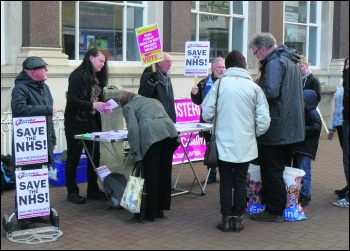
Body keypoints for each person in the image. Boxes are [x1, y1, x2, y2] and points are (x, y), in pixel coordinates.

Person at [202, 50, 270, 232]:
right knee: (240, 181)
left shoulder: (220, 85)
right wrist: (252, 133)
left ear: (228, 65)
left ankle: (225, 219)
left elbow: (206, 113)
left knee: (225, 182)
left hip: (223, 144)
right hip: (245, 144)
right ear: (244, 65)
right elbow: (264, 120)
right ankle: (238, 219)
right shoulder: (255, 88)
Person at [248, 32, 305, 222]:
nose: (256, 57)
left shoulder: (274, 62)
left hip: (276, 126)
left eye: (256, 53)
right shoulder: (292, 61)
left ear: (263, 49)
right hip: (291, 126)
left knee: (271, 168)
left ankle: (274, 210)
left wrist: (256, 91)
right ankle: (281, 206)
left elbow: (270, 93)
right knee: (281, 167)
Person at [119, 91, 180, 221]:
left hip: (152, 138)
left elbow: (133, 131)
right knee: (164, 173)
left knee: (151, 174)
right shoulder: (153, 101)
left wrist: (137, 155)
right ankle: (160, 208)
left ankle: (150, 212)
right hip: (170, 136)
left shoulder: (129, 107)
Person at [11, 56, 57, 229]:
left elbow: (49, 119)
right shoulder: (20, 89)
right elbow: (19, 109)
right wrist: (45, 109)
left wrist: (52, 139)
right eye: (44, 68)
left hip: (42, 142)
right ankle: (24, 216)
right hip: (27, 145)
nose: (47, 71)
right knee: (26, 178)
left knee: (39, 177)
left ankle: (37, 211)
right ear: (34, 71)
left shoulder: (45, 88)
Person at [64, 48, 112, 204]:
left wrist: (103, 107)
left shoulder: (98, 78)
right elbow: (72, 100)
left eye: (104, 62)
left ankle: (93, 189)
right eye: (101, 61)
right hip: (76, 122)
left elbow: (99, 98)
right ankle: (72, 191)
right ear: (91, 58)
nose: (103, 65)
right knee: (74, 157)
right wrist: (93, 105)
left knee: (94, 157)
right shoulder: (77, 76)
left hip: (92, 122)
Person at [191, 57, 226, 184]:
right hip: (207, 123)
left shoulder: (227, 82)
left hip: (223, 122)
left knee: (223, 149)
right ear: (212, 69)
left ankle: (225, 175)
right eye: (219, 67)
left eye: (223, 67)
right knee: (210, 148)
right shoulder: (203, 83)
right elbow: (198, 101)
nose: (222, 70)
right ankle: (211, 174)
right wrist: (194, 94)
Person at [293, 90, 322, 207]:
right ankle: (300, 192)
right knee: (300, 170)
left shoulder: (313, 113)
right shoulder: (305, 111)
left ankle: (305, 195)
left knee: (305, 171)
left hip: (306, 148)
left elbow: (316, 127)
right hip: (301, 146)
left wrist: (302, 130)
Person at [138, 52, 176, 123]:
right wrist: (151, 82)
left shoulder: (167, 78)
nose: (170, 64)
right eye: (167, 61)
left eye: (171, 62)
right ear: (159, 63)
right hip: (155, 120)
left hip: (168, 119)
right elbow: (142, 97)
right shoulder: (148, 75)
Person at [331, 57, 349, 199]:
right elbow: (337, 106)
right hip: (342, 122)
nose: (347, 66)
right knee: (346, 156)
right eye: (346, 63)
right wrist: (332, 126)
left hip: (346, 121)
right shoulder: (344, 81)